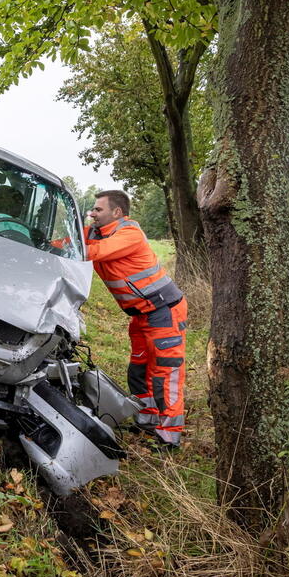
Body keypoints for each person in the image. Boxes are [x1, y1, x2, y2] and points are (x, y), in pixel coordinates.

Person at [84, 190, 187, 450]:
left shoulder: (128, 234)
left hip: (164, 310)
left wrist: (75, 241)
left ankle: (169, 434)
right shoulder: (97, 233)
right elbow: (68, 241)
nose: (92, 213)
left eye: (98, 209)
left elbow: (91, 252)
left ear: (116, 213)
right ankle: (147, 418)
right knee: (140, 367)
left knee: (166, 371)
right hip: (141, 315)